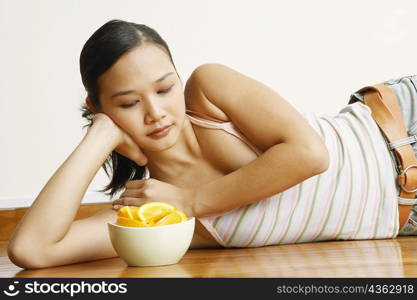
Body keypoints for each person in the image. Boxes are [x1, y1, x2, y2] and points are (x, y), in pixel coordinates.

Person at [7, 19, 417, 269]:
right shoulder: (156, 214)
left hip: (397, 124)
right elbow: (32, 249)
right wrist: (98, 136)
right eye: (129, 103)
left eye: (165, 89)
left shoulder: (207, 92)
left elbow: (309, 154)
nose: (156, 113)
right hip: (406, 216)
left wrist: (193, 201)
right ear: (98, 108)